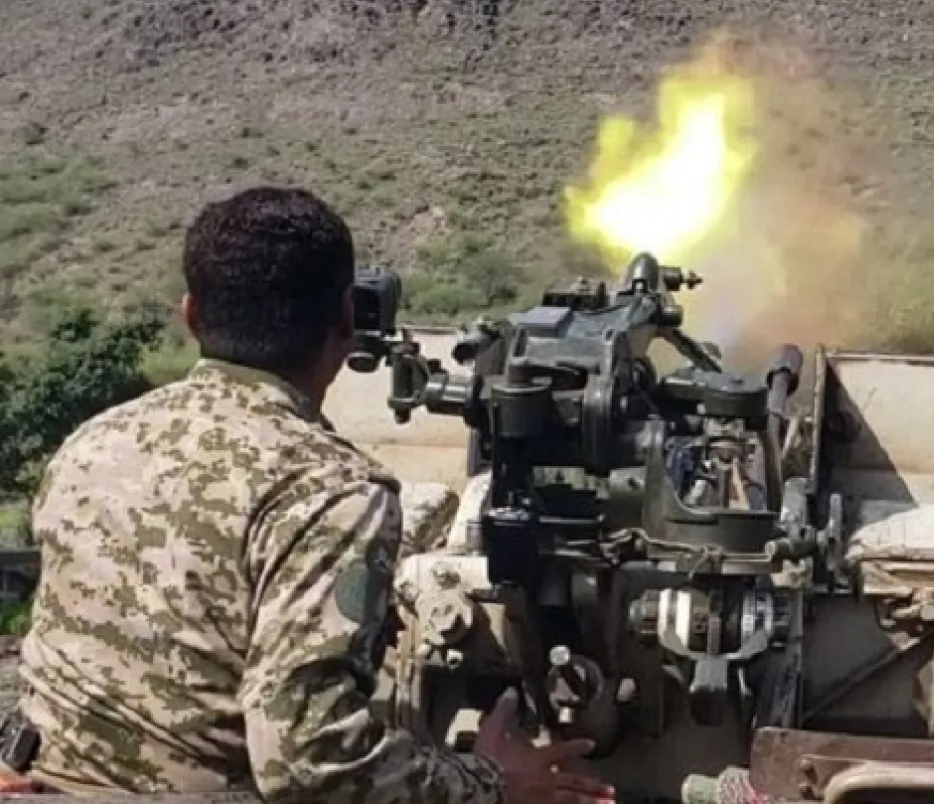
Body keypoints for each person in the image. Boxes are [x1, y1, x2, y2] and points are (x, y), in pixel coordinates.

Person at [12, 186, 616, 804]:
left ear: (189, 315)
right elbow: (310, 763)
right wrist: (490, 782)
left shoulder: (92, 442)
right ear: (348, 321)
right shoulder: (330, 491)